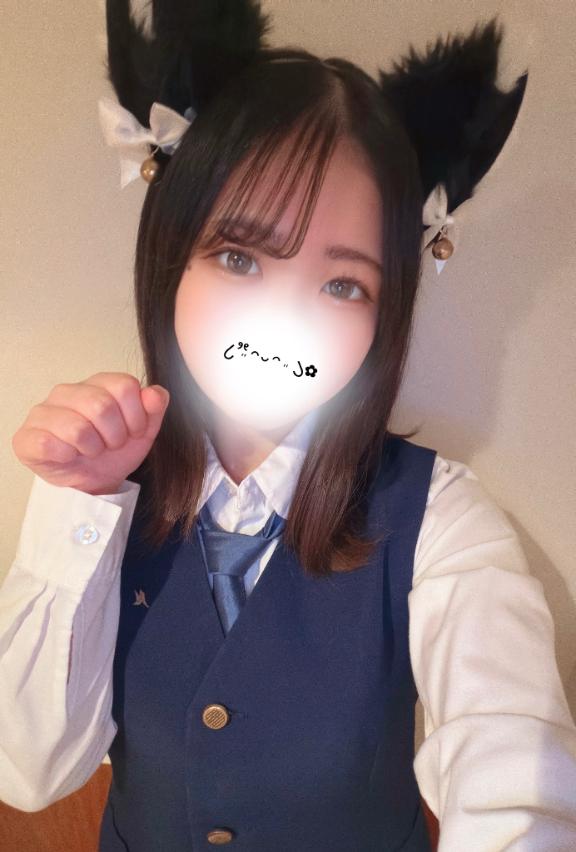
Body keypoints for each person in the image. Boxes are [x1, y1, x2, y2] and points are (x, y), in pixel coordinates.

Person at [2, 2, 576, 849]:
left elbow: (512, 758)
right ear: (171, 259)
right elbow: (28, 771)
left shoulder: (443, 521)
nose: (282, 322)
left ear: (384, 313)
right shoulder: (107, 480)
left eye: (342, 285)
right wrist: (79, 501)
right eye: (239, 257)